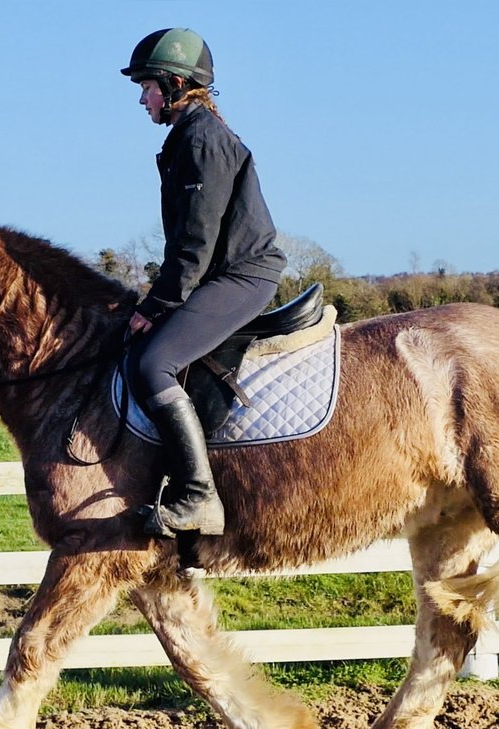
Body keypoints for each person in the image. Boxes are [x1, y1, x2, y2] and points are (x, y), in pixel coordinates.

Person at [121, 28, 287, 538]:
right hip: (221, 272)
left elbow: (195, 245)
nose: (143, 98)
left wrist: (155, 305)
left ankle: (198, 496)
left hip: (241, 275)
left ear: (173, 84)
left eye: (147, 87)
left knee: (154, 364)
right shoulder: (188, 137)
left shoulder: (201, 139)